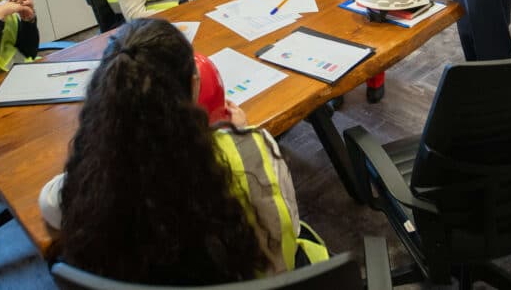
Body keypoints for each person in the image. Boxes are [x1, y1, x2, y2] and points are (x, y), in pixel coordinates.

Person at [39, 18, 328, 283]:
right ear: (194, 85)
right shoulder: (251, 149)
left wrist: (101, 145)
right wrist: (238, 134)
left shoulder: (96, 176)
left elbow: (50, 204)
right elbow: (284, 239)